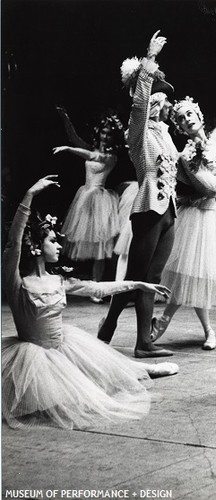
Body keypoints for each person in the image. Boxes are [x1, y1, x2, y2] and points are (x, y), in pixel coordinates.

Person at [2, 175, 179, 430]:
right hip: (32, 358)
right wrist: (29, 195)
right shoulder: (17, 283)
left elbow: (99, 287)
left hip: (64, 347)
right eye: (53, 241)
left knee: (103, 370)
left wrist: (138, 284)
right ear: (35, 247)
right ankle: (138, 369)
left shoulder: (60, 280)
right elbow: (13, 245)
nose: (59, 245)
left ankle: (141, 369)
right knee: (65, 399)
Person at [151, 64, 216, 351]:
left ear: (199, 116)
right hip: (201, 213)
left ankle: (173, 323)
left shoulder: (214, 139)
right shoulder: (186, 155)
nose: (187, 120)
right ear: (179, 127)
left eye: (190, 114)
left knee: (203, 276)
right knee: (193, 275)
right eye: (181, 119)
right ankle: (186, 325)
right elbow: (211, 187)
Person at [97, 31, 179, 358]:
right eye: (154, 97)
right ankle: (111, 323)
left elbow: (179, 167)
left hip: (170, 209)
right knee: (136, 276)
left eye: (162, 98)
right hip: (148, 208)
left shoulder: (165, 134)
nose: (160, 102)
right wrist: (150, 58)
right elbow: (139, 106)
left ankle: (143, 342)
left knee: (153, 277)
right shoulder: (138, 132)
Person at [53, 108, 125, 302]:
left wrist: (68, 150)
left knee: (100, 248)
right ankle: (65, 281)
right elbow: (74, 137)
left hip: (100, 200)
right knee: (78, 243)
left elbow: (91, 157)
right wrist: (65, 118)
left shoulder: (111, 157)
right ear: (99, 132)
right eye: (103, 132)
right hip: (85, 196)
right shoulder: (91, 149)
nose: (106, 136)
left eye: (109, 134)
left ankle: (96, 287)